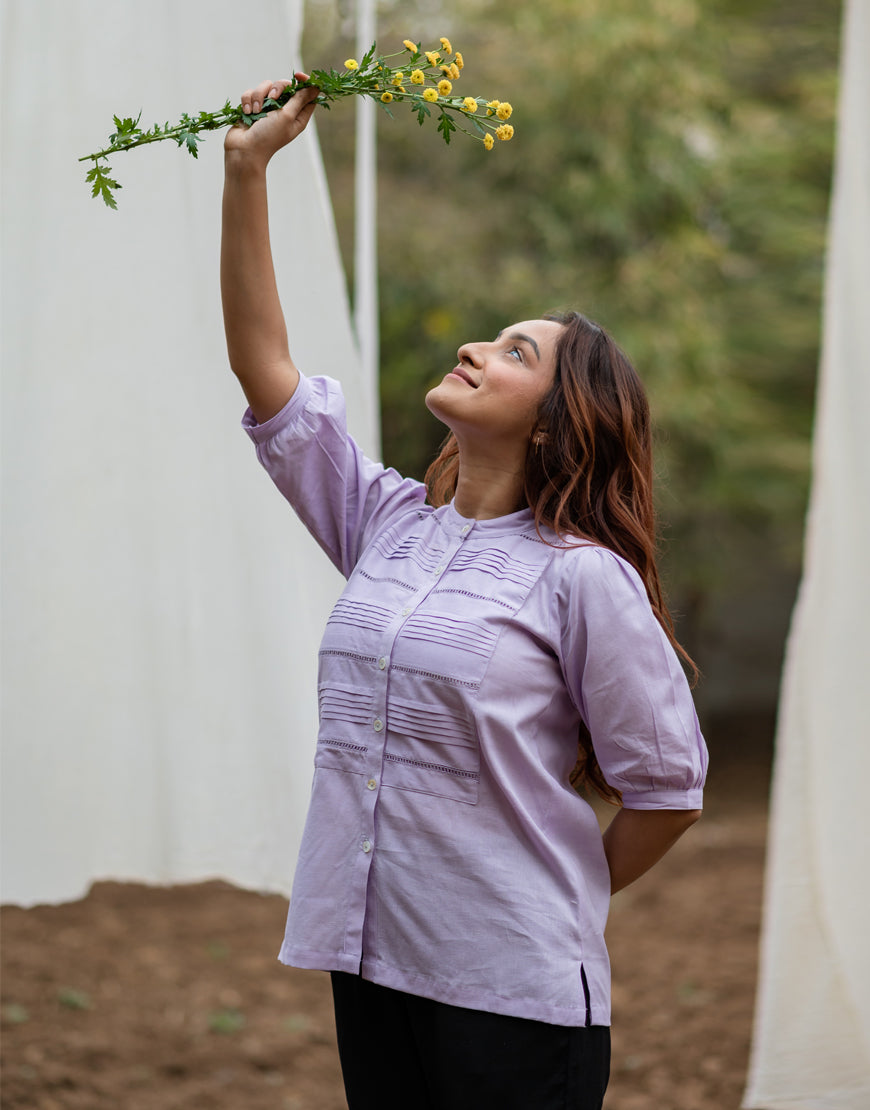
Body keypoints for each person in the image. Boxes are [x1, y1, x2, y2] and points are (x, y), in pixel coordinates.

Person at [221, 78, 708, 1110]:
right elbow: (267, 369)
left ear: (551, 424)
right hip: (373, 962)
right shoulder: (386, 525)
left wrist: (541, 888)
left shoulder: (582, 577)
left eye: (514, 350)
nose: (475, 348)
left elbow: (665, 790)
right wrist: (247, 170)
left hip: (515, 994)